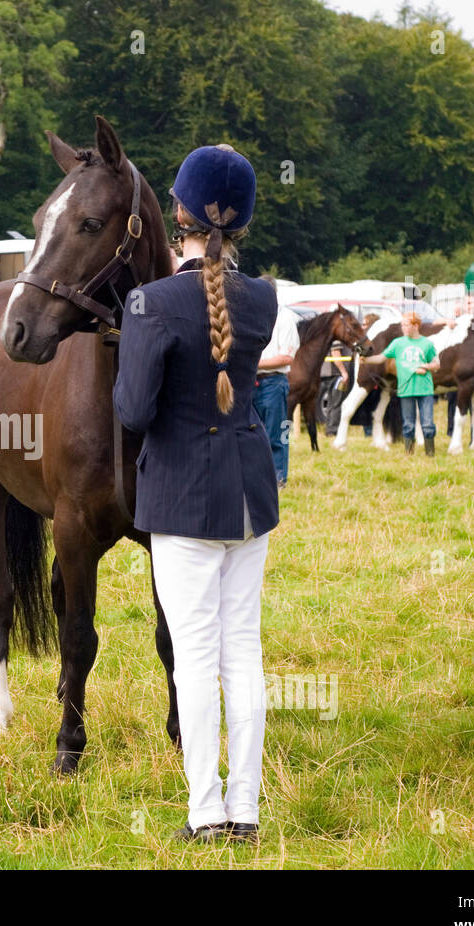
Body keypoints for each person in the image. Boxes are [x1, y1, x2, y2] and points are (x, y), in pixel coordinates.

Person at [113, 144, 279, 845]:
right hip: (248, 492)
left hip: (181, 497)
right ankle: (246, 810)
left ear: (176, 213)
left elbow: (131, 412)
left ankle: (205, 810)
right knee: (243, 651)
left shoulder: (149, 302)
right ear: (240, 223)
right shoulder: (265, 297)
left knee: (195, 654)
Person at [254, 302, 299, 486]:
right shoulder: (254, 313)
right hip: (252, 382)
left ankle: (279, 478)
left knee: (277, 433)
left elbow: (287, 357)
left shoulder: (285, 317)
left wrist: (256, 363)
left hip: (274, 381)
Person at [382, 312, 439, 455]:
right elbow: (381, 357)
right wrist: (366, 359)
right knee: (408, 424)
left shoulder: (427, 343)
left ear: (416, 325)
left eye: (406, 325)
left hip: (425, 390)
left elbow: (437, 363)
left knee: (427, 424)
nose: (403, 328)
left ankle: (430, 454)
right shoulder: (397, 343)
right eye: (402, 325)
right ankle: (409, 453)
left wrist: (425, 367)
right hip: (406, 389)